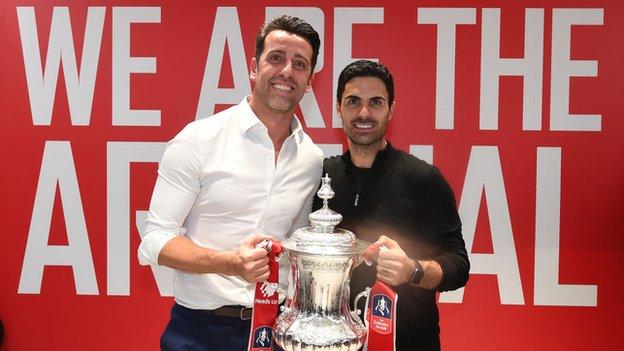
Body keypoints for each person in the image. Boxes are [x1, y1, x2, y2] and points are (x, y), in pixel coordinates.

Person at [138, 15, 323, 351]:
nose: (286, 72)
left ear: (309, 81)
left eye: (299, 64)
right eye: (276, 58)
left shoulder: (312, 159)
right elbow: (155, 239)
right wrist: (229, 263)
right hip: (200, 331)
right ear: (254, 67)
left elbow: (295, 246)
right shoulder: (197, 140)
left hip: (276, 330)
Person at [313, 60, 469, 351]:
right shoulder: (322, 178)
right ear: (338, 108)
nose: (364, 113)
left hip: (409, 343)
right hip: (331, 342)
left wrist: (413, 270)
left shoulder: (424, 179)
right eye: (353, 102)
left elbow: (459, 266)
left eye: (375, 102)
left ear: (391, 109)